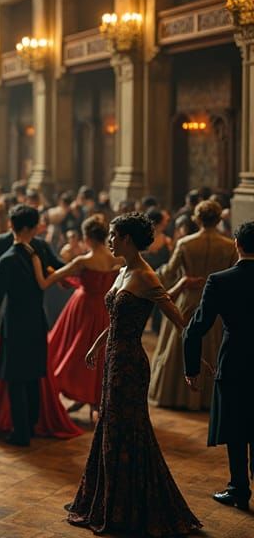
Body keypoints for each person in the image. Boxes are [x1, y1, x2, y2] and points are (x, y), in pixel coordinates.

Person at [65, 212, 201, 536]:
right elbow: (116, 319)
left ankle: (128, 506)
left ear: (127, 239)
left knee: (126, 431)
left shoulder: (146, 276)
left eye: (113, 235)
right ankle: (106, 499)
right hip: (113, 359)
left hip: (130, 365)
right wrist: (96, 346)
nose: (109, 240)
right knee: (109, 429)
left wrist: (197, 357)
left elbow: (177, 318)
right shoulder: (123, 271)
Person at [183, 220, 254, 511]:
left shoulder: (220, 280)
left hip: (235, 358)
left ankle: (239, 489)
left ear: (237, 245)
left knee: (236, 427)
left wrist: (192, 368)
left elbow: (196, 327)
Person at [149, 200, 237, 410]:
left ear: (197, 219)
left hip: (188, 301)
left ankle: (178, 396)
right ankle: (208, 398)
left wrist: (152, 273)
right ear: (218, 219)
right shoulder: (229, 245)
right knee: (213, 347)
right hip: (217, 304)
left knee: (182, 344)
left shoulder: (185, 243)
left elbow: (168, 273)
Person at [33, 216, 122, 417]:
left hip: (83, 309)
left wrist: (40, 266)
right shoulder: (117, 259)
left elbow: (51, 279)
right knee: (101, 355)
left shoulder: (84, 261)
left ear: (87, 238)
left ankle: (83, 395)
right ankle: (95, 400)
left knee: (72, 353)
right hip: (106, 310)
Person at [0, 205, 50, 447]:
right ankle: (31, 425)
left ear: (12, 226)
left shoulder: (8, 259)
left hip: (15, 324)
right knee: (33, 375)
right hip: (37, 320)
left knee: (15, 378)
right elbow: (57, 269)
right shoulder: (40, 250)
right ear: (33, 228)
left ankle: (20, 433)